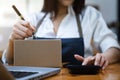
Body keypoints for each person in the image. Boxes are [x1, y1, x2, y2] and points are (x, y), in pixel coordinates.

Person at [2, 0, 120, 69]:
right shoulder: (34, 19)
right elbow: (10, 61)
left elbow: (114, 49)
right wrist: (13, 40)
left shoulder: (90, 15)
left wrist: (103, 58)